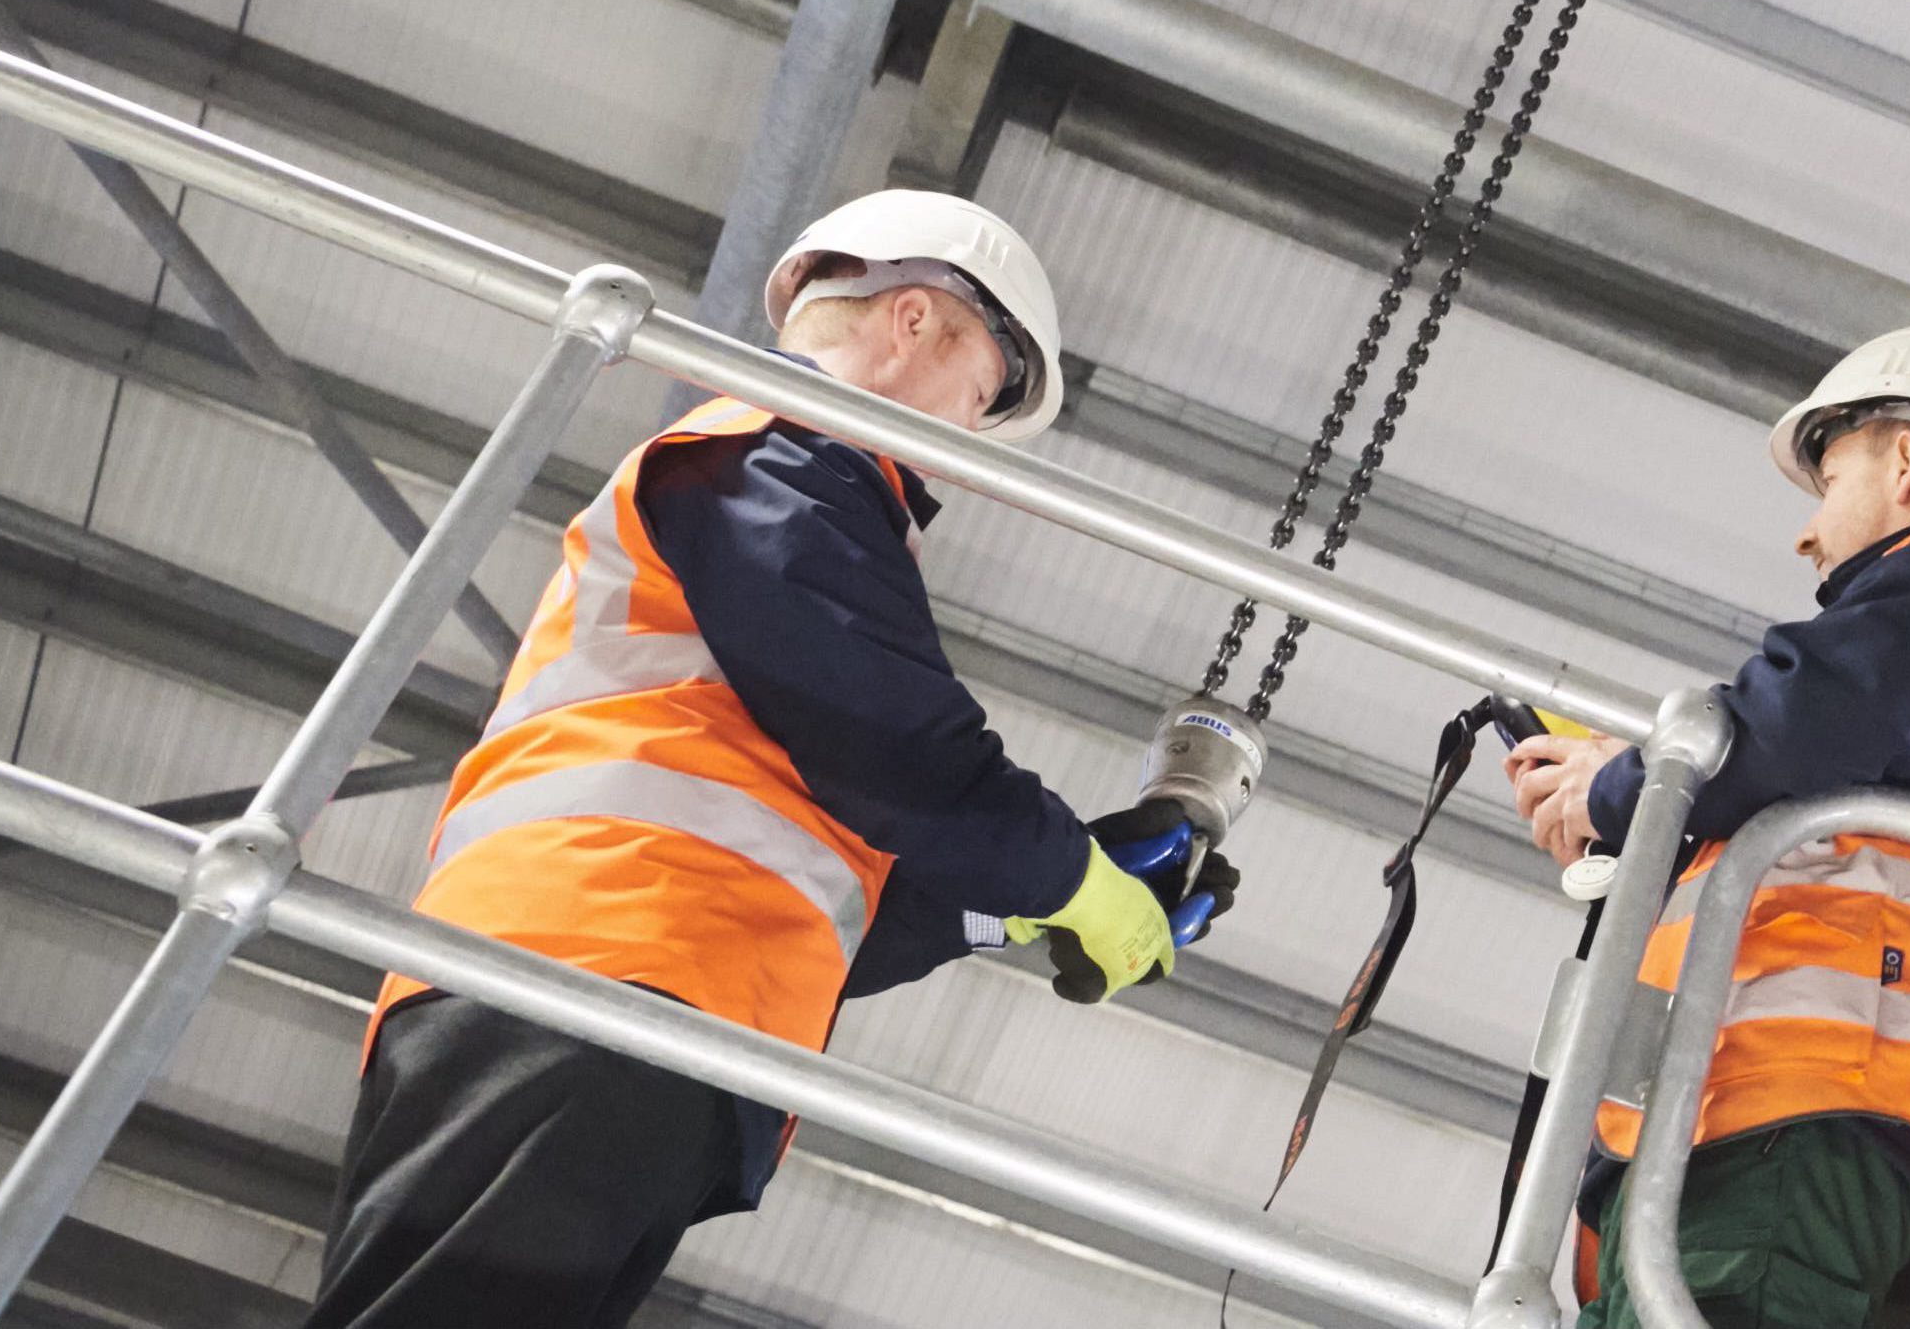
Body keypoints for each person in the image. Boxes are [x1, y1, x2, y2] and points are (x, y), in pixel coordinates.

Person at [306, 190, 1233, 1329]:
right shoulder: (767, 453)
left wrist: (1032, 905)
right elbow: (891, 737)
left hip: (642, 995)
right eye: (982, 394)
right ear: (914, 322)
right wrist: (1065, 882)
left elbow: (829, 903)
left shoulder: (773, 488)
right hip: (591, 978)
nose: (972, 452)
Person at [1505, 323, 1910, 1329]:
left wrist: (1623, 789)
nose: (1807, 534)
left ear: (1904, 460)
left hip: (1809, 1126)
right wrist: (1641, 819)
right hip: (1806, 1139)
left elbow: (1794, 725)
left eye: (1827, 481)